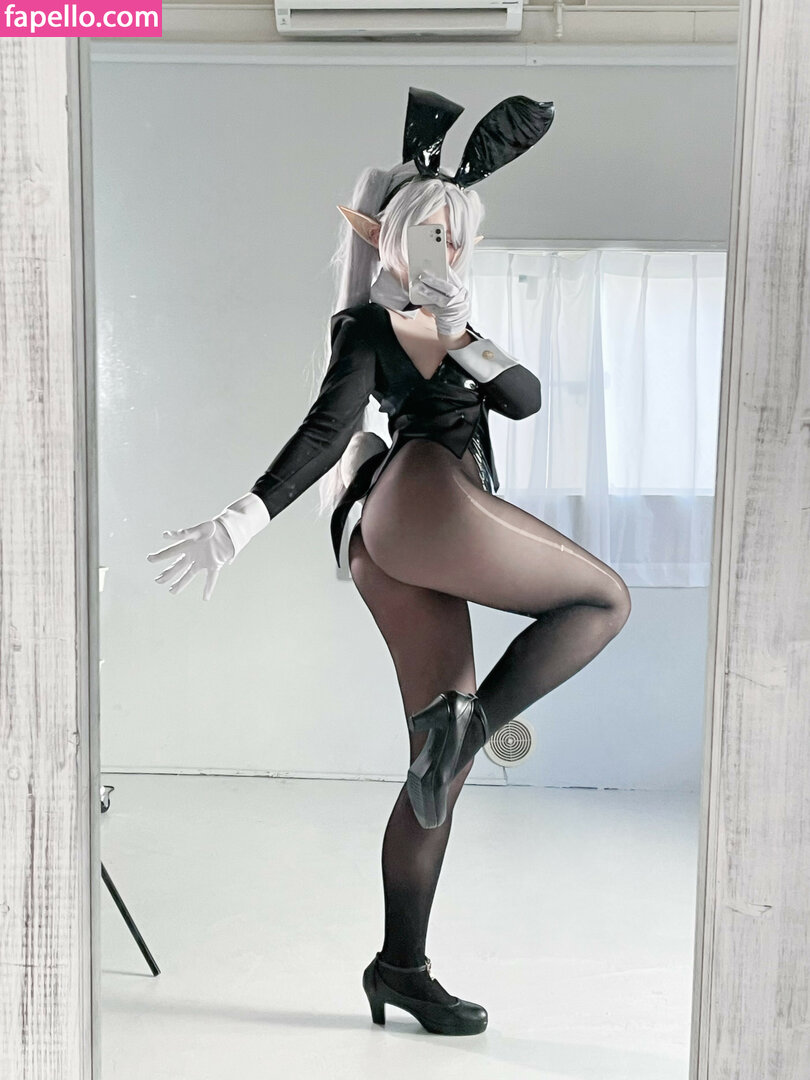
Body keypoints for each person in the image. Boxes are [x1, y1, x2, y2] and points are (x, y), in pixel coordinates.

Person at [147, 88, 631, 1037]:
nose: (450, 253)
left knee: (432, 773)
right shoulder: (369, 328)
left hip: (391, 544)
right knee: (604, 600)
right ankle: (474, 728)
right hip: (420, 497)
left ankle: (399, 967)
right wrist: (239, 522)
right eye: (434, 236)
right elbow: (326, 431)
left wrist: (458, 327)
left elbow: (526, 397)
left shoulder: (452, 326)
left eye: (460, 239)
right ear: (397, 239)